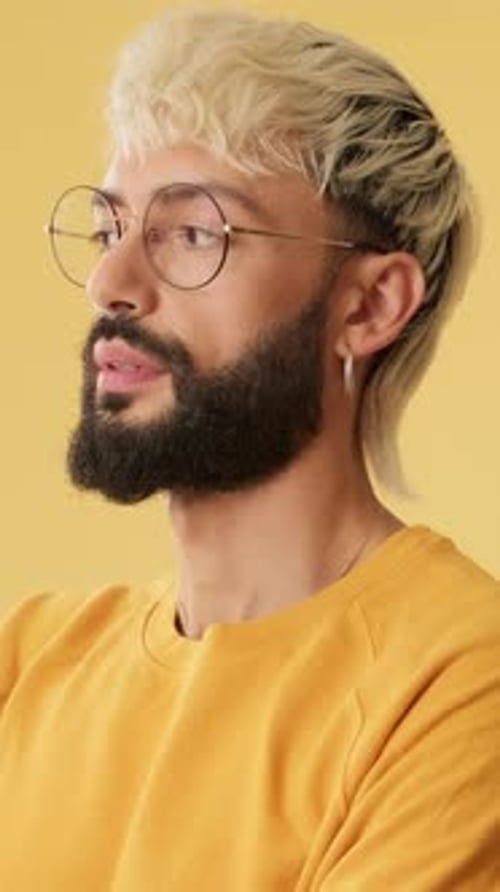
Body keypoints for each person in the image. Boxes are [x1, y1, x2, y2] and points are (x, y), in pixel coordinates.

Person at [1, 6, 499, 890]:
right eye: (111, 229)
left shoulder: (461, 683)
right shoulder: (29, 658)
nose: (111, 284)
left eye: (193, 234)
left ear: (370, 306)